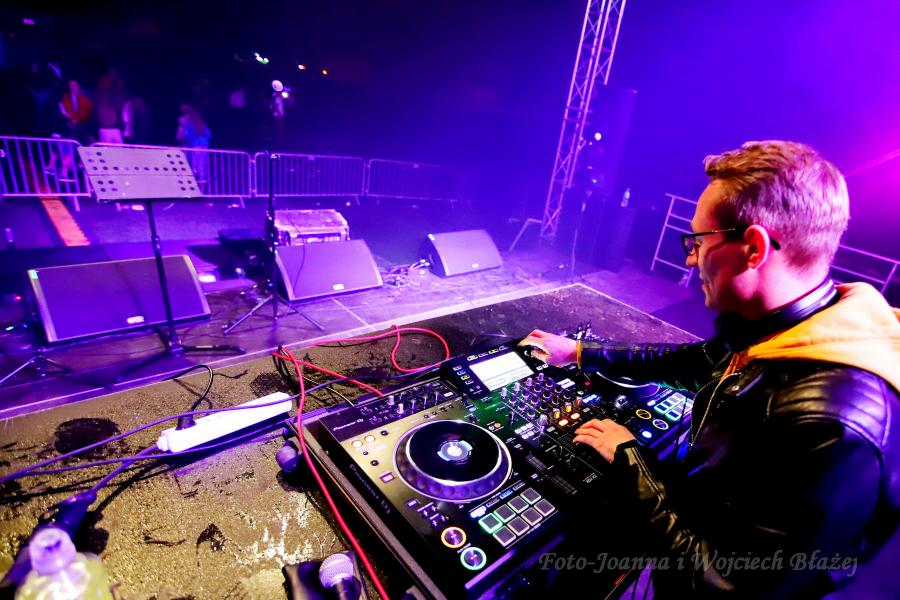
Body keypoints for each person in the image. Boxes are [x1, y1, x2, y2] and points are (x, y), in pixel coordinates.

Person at [521, 140, 900, 598]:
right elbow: (690, 361)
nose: (690, 259)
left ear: (753, 248)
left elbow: (723, 584)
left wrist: (631, 460)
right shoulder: (792, 325)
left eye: (698, 242)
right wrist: (580, 352)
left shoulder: (831, 424)